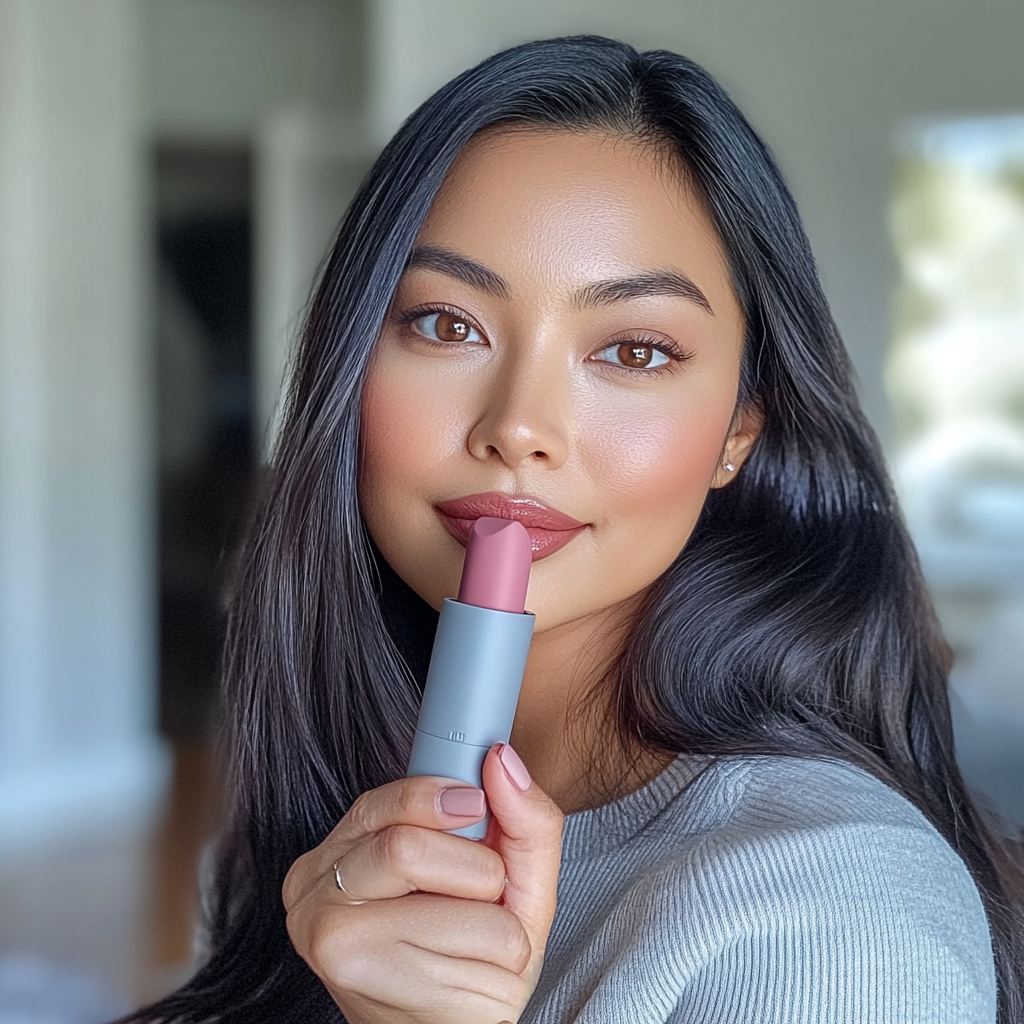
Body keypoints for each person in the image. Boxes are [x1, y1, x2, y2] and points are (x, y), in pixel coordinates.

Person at [121, 35, 1023, 1024]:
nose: (517, 426)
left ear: (737, 433)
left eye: (633, 349)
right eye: (445, 325)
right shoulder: (334, 819)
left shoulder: (836, 920)